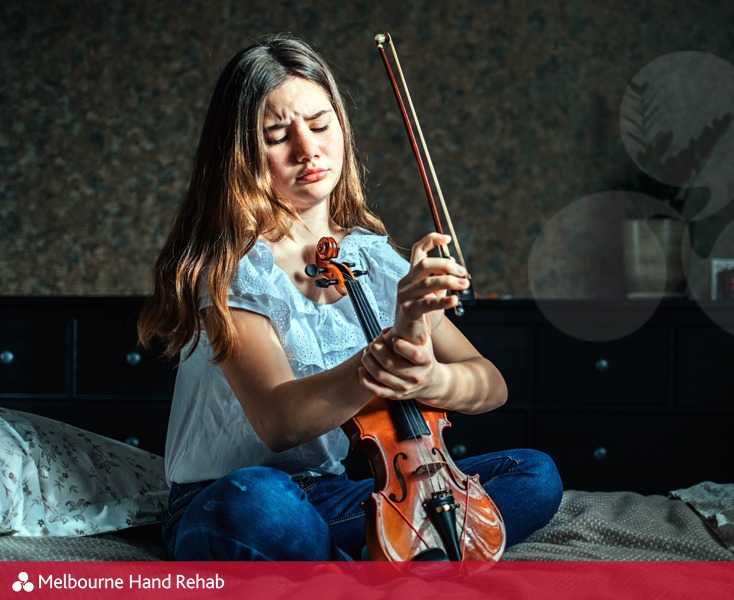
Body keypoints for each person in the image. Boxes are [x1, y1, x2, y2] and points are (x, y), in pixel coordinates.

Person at [138, 32, 562, 561]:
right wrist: (380, 361)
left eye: (320, 125)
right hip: (226, 494)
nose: (307, 148)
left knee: (534, 473)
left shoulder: (376, 262)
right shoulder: (234, 266)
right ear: (242, 153)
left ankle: (362, 559)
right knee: (260, 505)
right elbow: (279, 422)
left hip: (330, 494)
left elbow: (491, 384)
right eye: (276, 135)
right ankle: (387, 565)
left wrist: (429, 377)